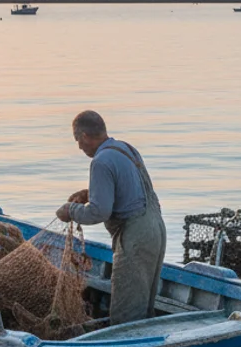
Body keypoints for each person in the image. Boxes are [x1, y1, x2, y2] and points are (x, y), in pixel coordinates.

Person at [56, 111, 166, 325]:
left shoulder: (100, 161)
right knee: (144, 305)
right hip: (156, 229)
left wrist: (70, 210)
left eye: (77, 140)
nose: (78, 146)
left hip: (136, 236)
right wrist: (90, 193)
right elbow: (129, 191)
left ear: (85, 136)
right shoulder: (126, 149)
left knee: (126, 314)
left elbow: (99, 212)